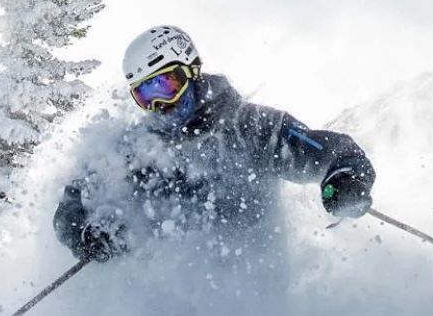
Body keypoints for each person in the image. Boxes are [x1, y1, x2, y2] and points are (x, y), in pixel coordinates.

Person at [52, 25, 376, 262]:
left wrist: (345, 178)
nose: (159, 104)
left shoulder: (254, 128)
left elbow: (334, 152)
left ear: (192, 71)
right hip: (161, 294)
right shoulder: (134, 148)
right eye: (145, 94)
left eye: (167, 85)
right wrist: (86, 233)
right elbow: (73, 202)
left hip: (253, 282)